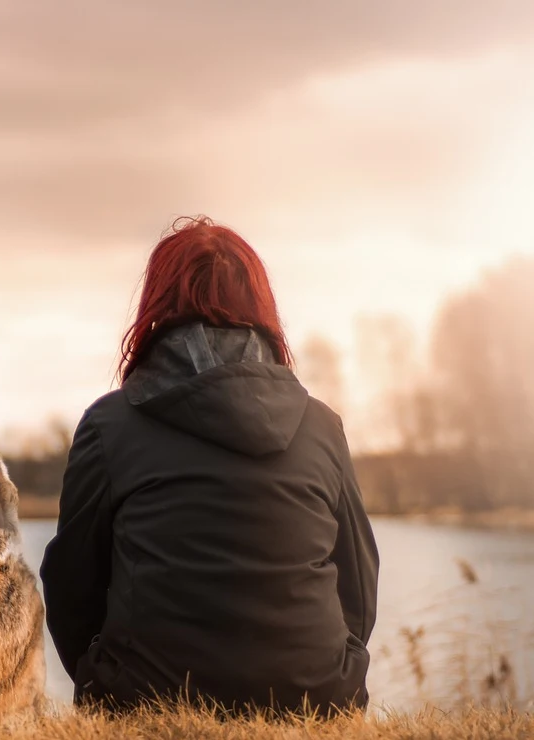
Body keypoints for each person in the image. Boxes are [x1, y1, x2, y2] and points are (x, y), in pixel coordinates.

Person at [39, 216, 379, 716]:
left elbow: (71, 584)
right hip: (316, 699)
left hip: (144, 699)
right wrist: (331, 669)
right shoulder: (322, 426)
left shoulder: (110, 425)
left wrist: (103, 676)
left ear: (156, 305)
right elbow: (359, 583)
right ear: (261, 307)